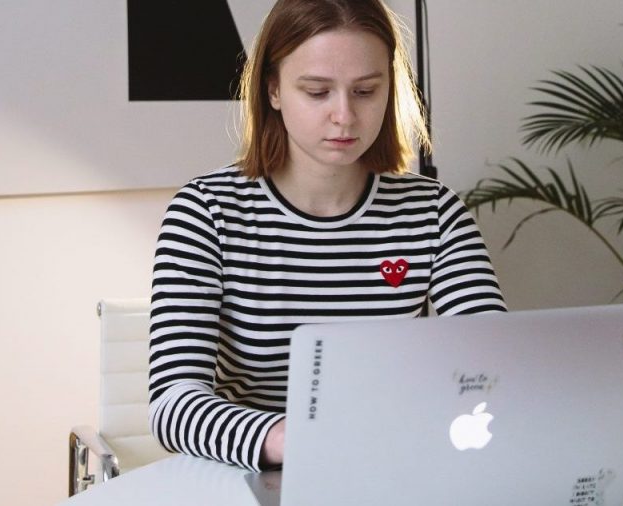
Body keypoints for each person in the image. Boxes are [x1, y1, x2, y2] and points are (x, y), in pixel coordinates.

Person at [147, 0, 506, 472]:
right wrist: (289, 440)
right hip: (260, 475)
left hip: (395, 467)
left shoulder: (434, 212)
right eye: (317, 92)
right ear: (273, 89)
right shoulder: (206, 212)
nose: (345, 116)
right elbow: (172, 404)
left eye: (365, 91)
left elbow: (497, 362)